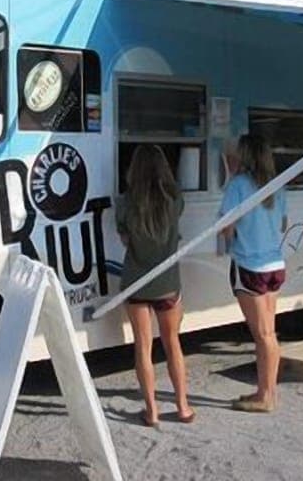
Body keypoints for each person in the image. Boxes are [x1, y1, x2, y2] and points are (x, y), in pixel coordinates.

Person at [116, 144, 194, 427]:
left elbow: (125, 240)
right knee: (173, 343)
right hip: (168, 285)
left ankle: (151, 411)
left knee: (143, 348)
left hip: (136, 282)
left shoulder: (125, 203)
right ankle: (183, 407)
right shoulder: (175, 200)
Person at [219, 134, 288, 413]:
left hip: (250, 266)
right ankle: (265, 391)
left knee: (264, 335)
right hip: (274, 265)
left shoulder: (238, 185)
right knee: (268, 333)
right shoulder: (277, 186)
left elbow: (227, 226)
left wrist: (231, 240)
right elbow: (283, 224)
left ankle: (267, 397)